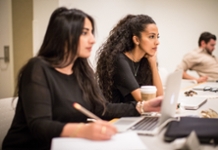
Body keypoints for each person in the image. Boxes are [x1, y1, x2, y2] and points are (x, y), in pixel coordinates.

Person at [2, 7, 163, 150]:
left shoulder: (82, 70)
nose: (92, 39)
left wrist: (143, 107)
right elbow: (39, 126)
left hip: (67, 144)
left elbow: (101, 108)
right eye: (85, 33)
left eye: (91, 32)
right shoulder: (38, 68)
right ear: (65, 35)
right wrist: (82, 130)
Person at [96, 14, 163, 103]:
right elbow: (141, 99)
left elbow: (160, 96)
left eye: (157, 37)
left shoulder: (144, 60)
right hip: (119, 116)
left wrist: (153, 64)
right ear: (136, 40)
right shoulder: (119, 60)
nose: (157, 42)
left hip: (137, 114)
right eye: (151, 36)